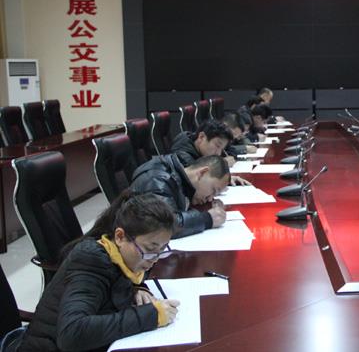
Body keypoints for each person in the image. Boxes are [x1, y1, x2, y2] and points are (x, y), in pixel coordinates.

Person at [18, 194, 179, 351]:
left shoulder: (124, 256)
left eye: (161, 250)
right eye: (150, 249)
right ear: (120, 237)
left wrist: (138, 287)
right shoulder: (92, 261)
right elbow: (72, 333)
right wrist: (152, 315)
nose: (154, 260)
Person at [130, 155, 229, 238]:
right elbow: (164, 225)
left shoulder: (182, 177)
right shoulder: (157, 180)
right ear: (202, 173)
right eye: (213, 190)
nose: (211, 198)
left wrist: (208, 206)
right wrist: (207, 218)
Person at [170, 119, 250, 185]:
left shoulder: (195, 143)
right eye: (217, 146)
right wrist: (223, 179)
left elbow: (231, 150)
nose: (219, 153)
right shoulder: (182, 156)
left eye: (221, 149)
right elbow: (199, 181)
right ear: (201, 137)